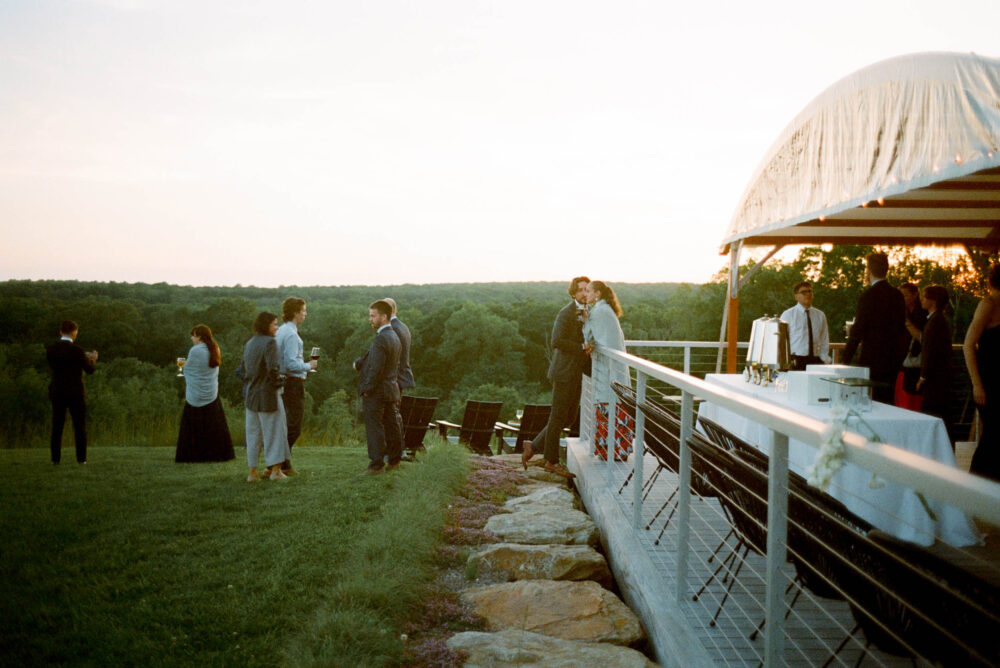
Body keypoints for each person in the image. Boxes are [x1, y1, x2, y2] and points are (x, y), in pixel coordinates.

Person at [522, 276, 591, 479]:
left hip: (576, 373)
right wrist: (582, 347)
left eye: (587, 289)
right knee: (558, 416)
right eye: (581, 290)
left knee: (569, 418)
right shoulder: (566, 313)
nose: (584, 293)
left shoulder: (589, 312)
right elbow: (556, 341)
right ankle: (551, 461)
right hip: (563, 372)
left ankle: (533, 446)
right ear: (573, 292)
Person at [842, 252, 906, 404]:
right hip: (893, 360)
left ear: (869, 271)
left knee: (868, 401)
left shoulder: (868, 295)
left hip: (872, 359)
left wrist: (845, 360)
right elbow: (901, 329)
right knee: (887, 402)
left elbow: (858, 330)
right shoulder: (897, 295)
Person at [582, 280, 631, 460]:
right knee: (614, 404)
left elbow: (588, 337)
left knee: (607, 405)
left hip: (608, 369)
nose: (586, 294)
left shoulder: (598, 312)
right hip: (615, 368)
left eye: (589, 291)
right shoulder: (606, 310)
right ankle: (617, 450)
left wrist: (585, 321)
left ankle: (610, 451)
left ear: (598, 294)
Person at [354, 300, 403, 475]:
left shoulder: (382, 338)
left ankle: (377, 465)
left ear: (384, 316)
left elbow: (375, 368)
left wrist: (366, 389)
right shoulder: (394, 336)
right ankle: (394, 461)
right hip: (391, 389)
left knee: (375, 427)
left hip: (378, 391)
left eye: (373, 316)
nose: (370, 319)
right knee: (391, 426)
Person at [176, 324, 235, 463]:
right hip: (211, 391)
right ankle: (218, 454)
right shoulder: (215, 348)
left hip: (196, 393)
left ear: (200, 337)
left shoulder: (196, 350)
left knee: (195, 425)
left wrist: (182, 368)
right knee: (213, 425)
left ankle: (194, 455)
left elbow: (188, 369)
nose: (191, 338)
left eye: (193, 335)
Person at [242, 312, 290, 482]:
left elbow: (243, 370)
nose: (277, 327)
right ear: (266, 325)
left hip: (251, 394)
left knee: (253, 435)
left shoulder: (250, 343)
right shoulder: (270, 342)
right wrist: (281, 381)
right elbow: (272, 369)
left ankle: (252, 473)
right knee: (274, 433)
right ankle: (276, 472)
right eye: (274, 324)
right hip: (268, 395)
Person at [964, 264, 1000, 481]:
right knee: (993, 436)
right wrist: (977, 384)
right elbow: (968, 345)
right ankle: (976, 486)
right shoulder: (989, 304)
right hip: (988, 382)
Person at [275, 297, 317, 474]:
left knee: (286, 424)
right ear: (295, 313)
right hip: (293, 383)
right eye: (303, 311)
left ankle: (281, 464)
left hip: (283, 382)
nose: (305, 314)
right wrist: (309, 365)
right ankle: (281, 463)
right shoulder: (291, 335)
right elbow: (291, 364)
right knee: (294, 426)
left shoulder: (281, 330)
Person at [46, 320, 97, 464]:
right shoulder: (78, 351)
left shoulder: (51, 349)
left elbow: (53, 366)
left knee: (57, 426)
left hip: (57, 391)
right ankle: (81, 459)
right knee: (79, 426)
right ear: (75, 333)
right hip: (75, 392)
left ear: (60, 332)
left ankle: (55, 459)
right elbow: (90, 370)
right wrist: (92, 360)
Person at [916, 285, 954, 445]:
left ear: (933, 300)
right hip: (940, 378)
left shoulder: (935, 321)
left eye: (925, 297)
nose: (922, 300)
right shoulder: (938, 319)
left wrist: (923, 377)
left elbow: (931, 351)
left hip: (935, 380)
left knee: (933, 415)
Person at [780, 281, 830, 370]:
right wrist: (784, 362)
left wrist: (824, 359)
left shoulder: (820, 315)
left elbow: (824, 339)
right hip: (795, 360)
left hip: (815, 360)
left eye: (810, 291)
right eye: (804, 292)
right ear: (796, 296)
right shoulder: (788, 315)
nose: (808, 294)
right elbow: (781, 341)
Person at [895, 282, 928, 410]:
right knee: (900, 404)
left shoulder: (922, 315)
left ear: (915, 295)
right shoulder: (901, 312)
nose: (902, 299)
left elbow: (922, 338)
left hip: (914, 366)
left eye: (906, 295)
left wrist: (907, 322)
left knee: (911, 404)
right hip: (901, 364)